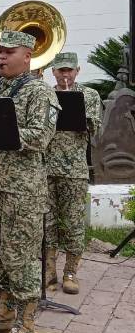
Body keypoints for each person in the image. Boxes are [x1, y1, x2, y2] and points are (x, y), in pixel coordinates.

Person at [0, 31, 60, 333]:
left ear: (28, 56)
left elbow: (41, 136)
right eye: (0, 52)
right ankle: (4, 314)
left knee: (19, 257)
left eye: (9, 52)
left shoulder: (40, 91)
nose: (1, 57)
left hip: (22, 190)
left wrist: (0, 130)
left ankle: (27, 326)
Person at [45, 52, 103, 294]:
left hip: (74, 170)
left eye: (69, 70)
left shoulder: (89, 95)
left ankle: (70, 272)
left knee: (73, 222)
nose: (65, 74)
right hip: (46, 168)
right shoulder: (45, 94)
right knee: (46, 221)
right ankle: (48, 270)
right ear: (53, 72)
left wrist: (72, 105)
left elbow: (95, 128)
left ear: (77, 71)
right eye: (60, 70)